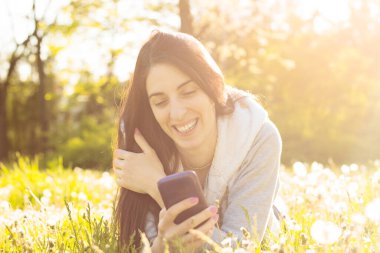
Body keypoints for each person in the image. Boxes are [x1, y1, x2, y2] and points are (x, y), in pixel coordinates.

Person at [113, 30, 282, 252]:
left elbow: (241, 248)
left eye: (188, 91)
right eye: (161, 102)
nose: (177, 113)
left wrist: (158, 186)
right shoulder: (145, 147)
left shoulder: (257, 136)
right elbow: (143, 245)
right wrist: (163, 246)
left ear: (213, 87)